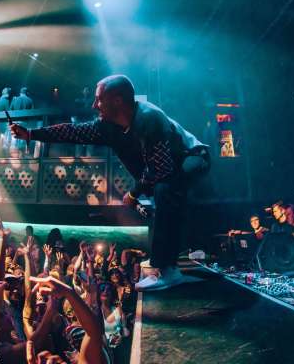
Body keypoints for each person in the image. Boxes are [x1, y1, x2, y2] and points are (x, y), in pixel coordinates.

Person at [11, 75, 210, 291]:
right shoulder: (107, 126)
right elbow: (73, 131)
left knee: (165, 189)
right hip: (164, 167)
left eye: (99, 99)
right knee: (160, 198)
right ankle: (161, 260)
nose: (94, 105)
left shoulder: (149, 119)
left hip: (191, 157)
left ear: (117, 100)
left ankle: (167, 270)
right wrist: (30, 134)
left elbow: (160, 169)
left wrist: (133, 193)